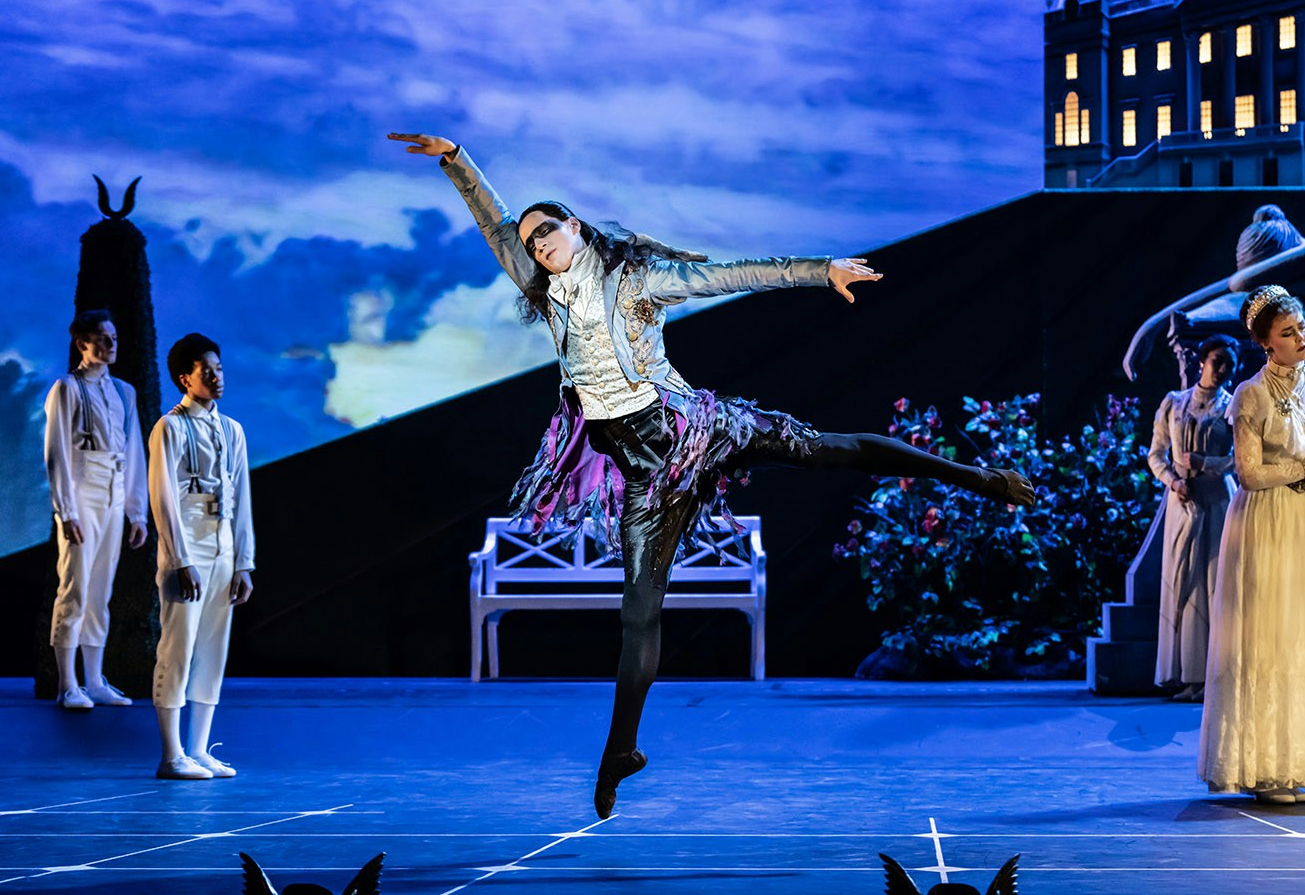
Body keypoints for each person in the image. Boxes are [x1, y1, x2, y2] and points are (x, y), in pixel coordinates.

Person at [389, 131, 1035, 819]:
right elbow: (495, 225)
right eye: (531, 242)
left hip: (694, 433)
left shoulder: (633, 280)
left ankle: (981, 478)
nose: (538, 246)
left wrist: (819, 271)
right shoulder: (544, 292)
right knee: (638, 613)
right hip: (647, 474)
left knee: (826, 448)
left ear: (574, 227)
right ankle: (620, 752)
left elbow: (729, 273)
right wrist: (457, 162)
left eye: (547, 232)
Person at [1198, 286, 1305, 804]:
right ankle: (1267, 769)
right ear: (1266, 344)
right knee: (1269, 636)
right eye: (1288, 332)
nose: (1302, 337)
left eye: (1302, 328)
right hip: (1266, 523)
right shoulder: (1250, 395)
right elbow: (1250, 474)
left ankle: (1302, 761)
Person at [148, 333, 255, 780]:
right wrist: (179, 559)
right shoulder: (170, 427)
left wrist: (244, 561)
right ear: (184, 378)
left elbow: (243, 497)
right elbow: (163, 498)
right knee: (178, 647)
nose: (215, 377)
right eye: (205, 370)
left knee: (213, 647)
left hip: (223, 548)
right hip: (188, 548)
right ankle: (172, 753)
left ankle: (198, 748)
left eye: (219, 369)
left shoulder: (232, 430)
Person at [42, 309, 148, 710]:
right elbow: (56, 453)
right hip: (82, 491)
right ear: (82, 342)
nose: (110, 346)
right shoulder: (66, 389)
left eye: (113, 338)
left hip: (113, 491)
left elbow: (134, 450)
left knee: (101, 588)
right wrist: (65, 510)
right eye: (101, 339)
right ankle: (68, 683)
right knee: (75, 585)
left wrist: (137, 512)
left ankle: (94, 679)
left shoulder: (124, 392)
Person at [1148, 334, 1238, 701]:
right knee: (1184, 583)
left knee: (1215, 584)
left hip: (1217, 500)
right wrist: (1172, 481)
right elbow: (1156, 454)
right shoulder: (1174, 403)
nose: (1221, 370)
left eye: (1229, 365)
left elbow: (1240, 460)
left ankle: (1213, 678)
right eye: (1217, 361)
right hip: (1182, 503)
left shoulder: (1232, 408)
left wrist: (1205, 465)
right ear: (1202, 361)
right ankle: (1186, 675)